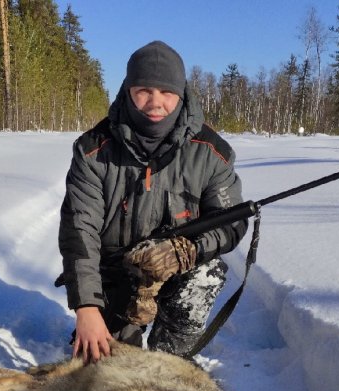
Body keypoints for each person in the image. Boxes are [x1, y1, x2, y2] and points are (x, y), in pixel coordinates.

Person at [58, 40, 248, 363]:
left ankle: (170, 350)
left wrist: (186, 251)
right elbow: (79, 232)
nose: (155, 102)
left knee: (207, 273)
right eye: (144, 90)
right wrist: (86, 307)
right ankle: (116, 325)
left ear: (182, 93)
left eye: (166, 92)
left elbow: (231, 222)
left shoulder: (211, 152)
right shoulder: (92, 151)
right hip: (116, 275)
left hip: (176, 272)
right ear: (129, 89)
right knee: (106, 362)